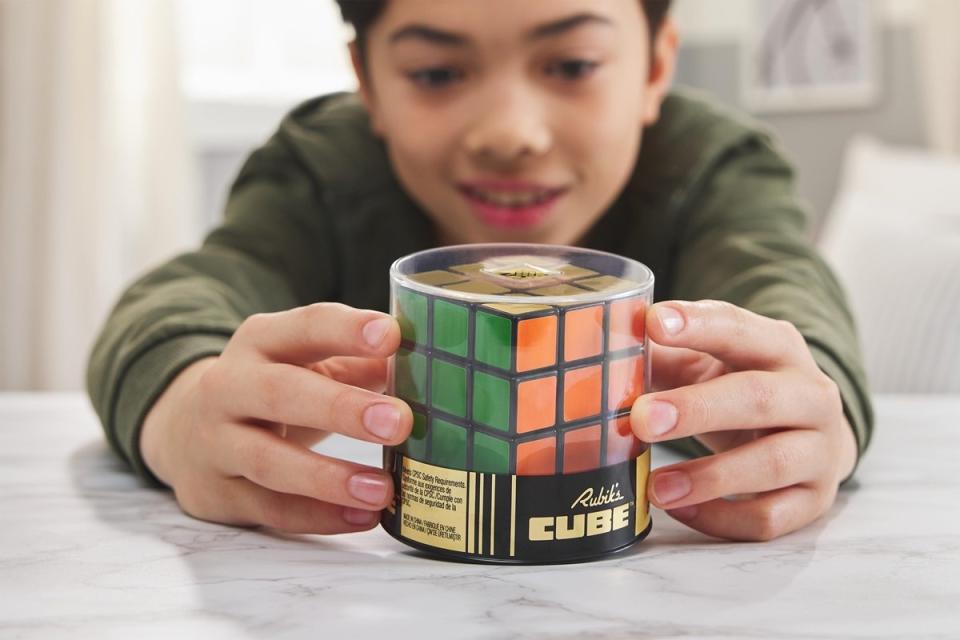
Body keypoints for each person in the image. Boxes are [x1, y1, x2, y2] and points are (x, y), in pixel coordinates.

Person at [87, 0, 873, 542]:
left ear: (656, 66)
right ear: (368, 82)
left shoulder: (710, 167)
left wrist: (804, 408)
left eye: (571, 63)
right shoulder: (323, 169)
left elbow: (790, 300)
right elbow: (180, 299)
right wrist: (185, 411)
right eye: (435, 73)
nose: (510, 134)